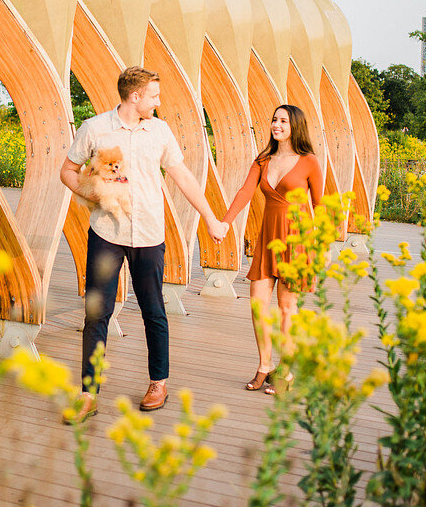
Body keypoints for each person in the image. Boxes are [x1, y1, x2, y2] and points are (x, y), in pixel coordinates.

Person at [59, 66, 229, 424]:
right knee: (96, 314)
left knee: (154, 310)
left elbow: (182, 176)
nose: (158, 100)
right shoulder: (95, 128)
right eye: (154, 95)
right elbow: (67, 171)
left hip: (150, 234)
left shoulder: (160, 131)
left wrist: (212, 219)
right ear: (134, 96)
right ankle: (88, 394)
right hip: (107, 232)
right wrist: (91, 193)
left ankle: (158, 383)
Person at [221, 104, 322, 395]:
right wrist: (226, 222)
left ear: (295, 127)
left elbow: (322, 204)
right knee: (257, 306)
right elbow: (245, 192)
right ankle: (264, 366)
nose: (276, 125)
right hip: (268, 240)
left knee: (287, 310)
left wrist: (321, 246)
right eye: (274, 119)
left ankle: (287, 372)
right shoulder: (264, 160)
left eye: (282, 121)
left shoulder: (309, 161)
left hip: (296, 242)